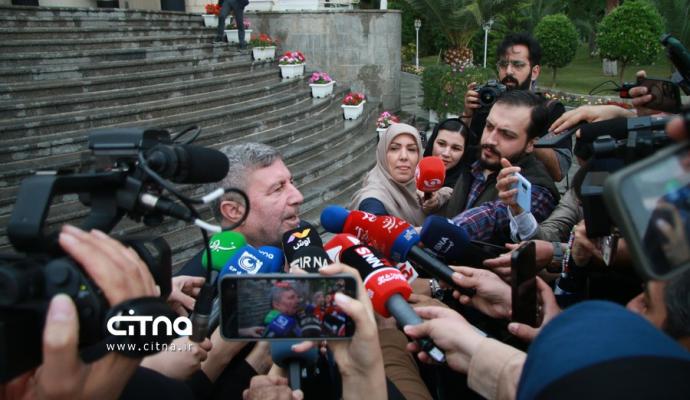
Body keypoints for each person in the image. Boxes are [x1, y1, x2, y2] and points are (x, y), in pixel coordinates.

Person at [438, 90, 560, 244]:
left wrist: (440, 232)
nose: (490, 140)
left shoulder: (536, 188)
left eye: (507, 134)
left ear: (531, 144)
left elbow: (493, 216)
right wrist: (438, 201)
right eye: (489, 126)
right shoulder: (475, 159)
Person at [178, 142, 304, 276]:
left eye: (291, 182)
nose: (299, 197)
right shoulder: (199, 283)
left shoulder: (302, 240)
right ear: (234, 211)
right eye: (277, 189)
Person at [462, 32, 570, 182]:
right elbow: (461, 153)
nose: (508, 71)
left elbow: (559, 171)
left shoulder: (550, 109)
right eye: (503, 65)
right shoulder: (487, 101)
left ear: (534, 72)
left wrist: (526, 137)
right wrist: (467, 115)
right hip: (479, 186)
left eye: (518, 65)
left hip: (521, 190)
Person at [350, 122, 427, 226]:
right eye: (394, 149)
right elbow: (372, 212)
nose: (404, 156)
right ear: (382, 154)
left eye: (411, 149)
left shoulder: (427, 188)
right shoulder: (374, 195)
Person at [423, 117, 470, 189]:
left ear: (464, 152)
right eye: (441, 144)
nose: (446, 154)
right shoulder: (412, 172)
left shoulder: (467, 187)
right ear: (432, 142)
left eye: (456, 148)